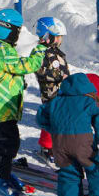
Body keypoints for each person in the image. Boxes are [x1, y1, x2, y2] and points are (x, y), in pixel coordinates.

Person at [0, 8, 47, 196]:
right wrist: (40, 50)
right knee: (8, 144)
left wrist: (6, 79)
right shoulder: (3, 50)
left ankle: (3, 174)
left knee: (5, 141)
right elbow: (27, 66)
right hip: (2, 108)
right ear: (6, 30)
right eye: (16, 30)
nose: (17, 35)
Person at [34, 17, 70, 161]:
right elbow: (42, 71)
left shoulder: (54, 52)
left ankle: (56, 145)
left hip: (59, 92)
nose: (61, 39)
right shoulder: (42, 53)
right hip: (51, 92)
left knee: (57, 119)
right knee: (52, 119)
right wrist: (62, 77)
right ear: (49, 36)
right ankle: (47, 148)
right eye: (59, 36)